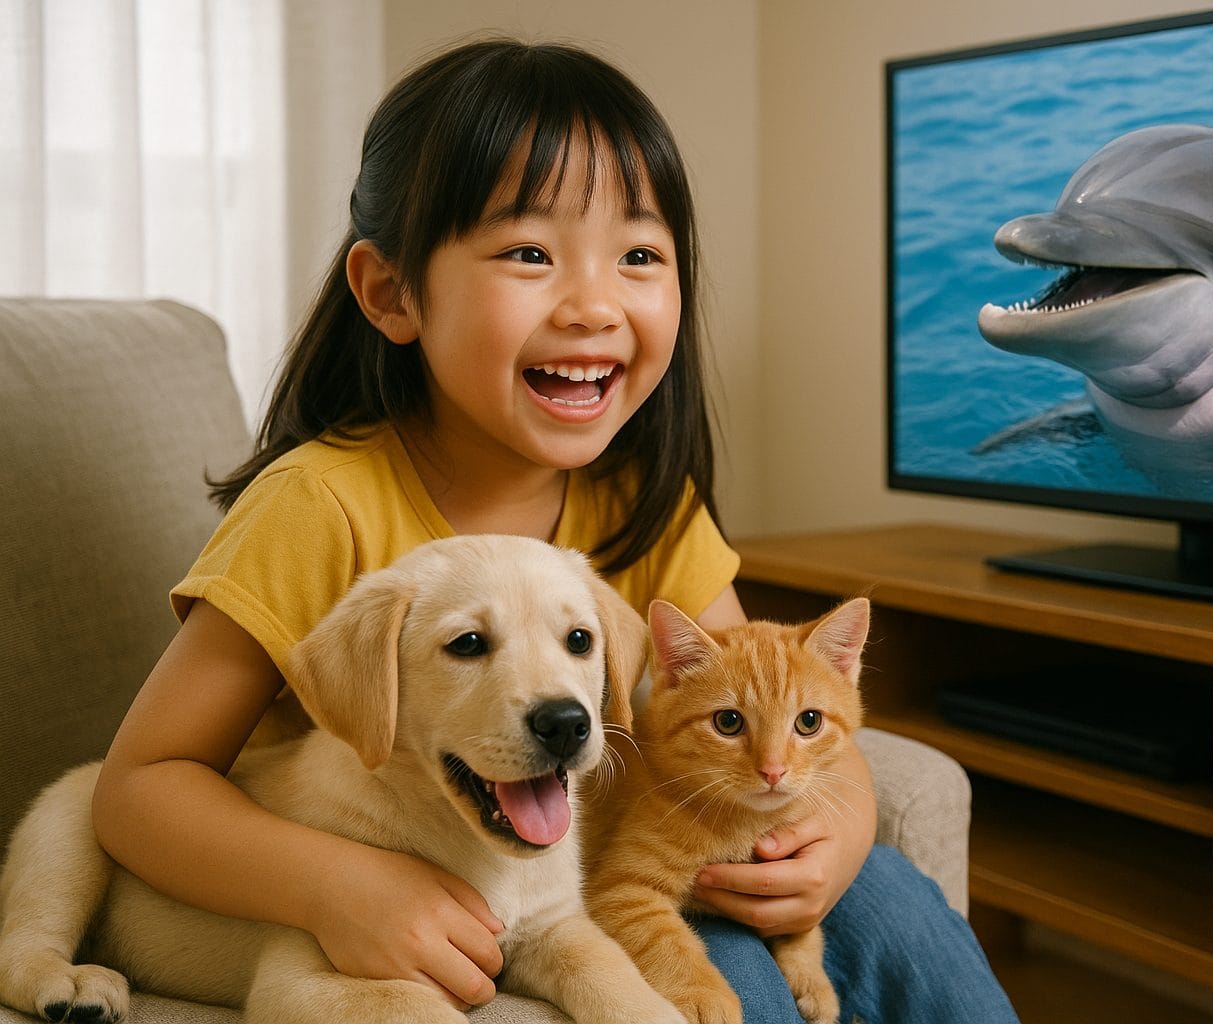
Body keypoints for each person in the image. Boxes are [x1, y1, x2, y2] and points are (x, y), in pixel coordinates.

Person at [91, 38, 1018, 1024]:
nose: (594, 303)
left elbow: (796, 696)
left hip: (652, 862)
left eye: (640, 255)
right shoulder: (317, 505)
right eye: (530, 252)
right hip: (526, 894)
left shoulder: (646, 499)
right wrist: (337, 885)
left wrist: (835, 832)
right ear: (392, 293)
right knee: (732, 987)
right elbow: (141, 786)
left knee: (896, 902)